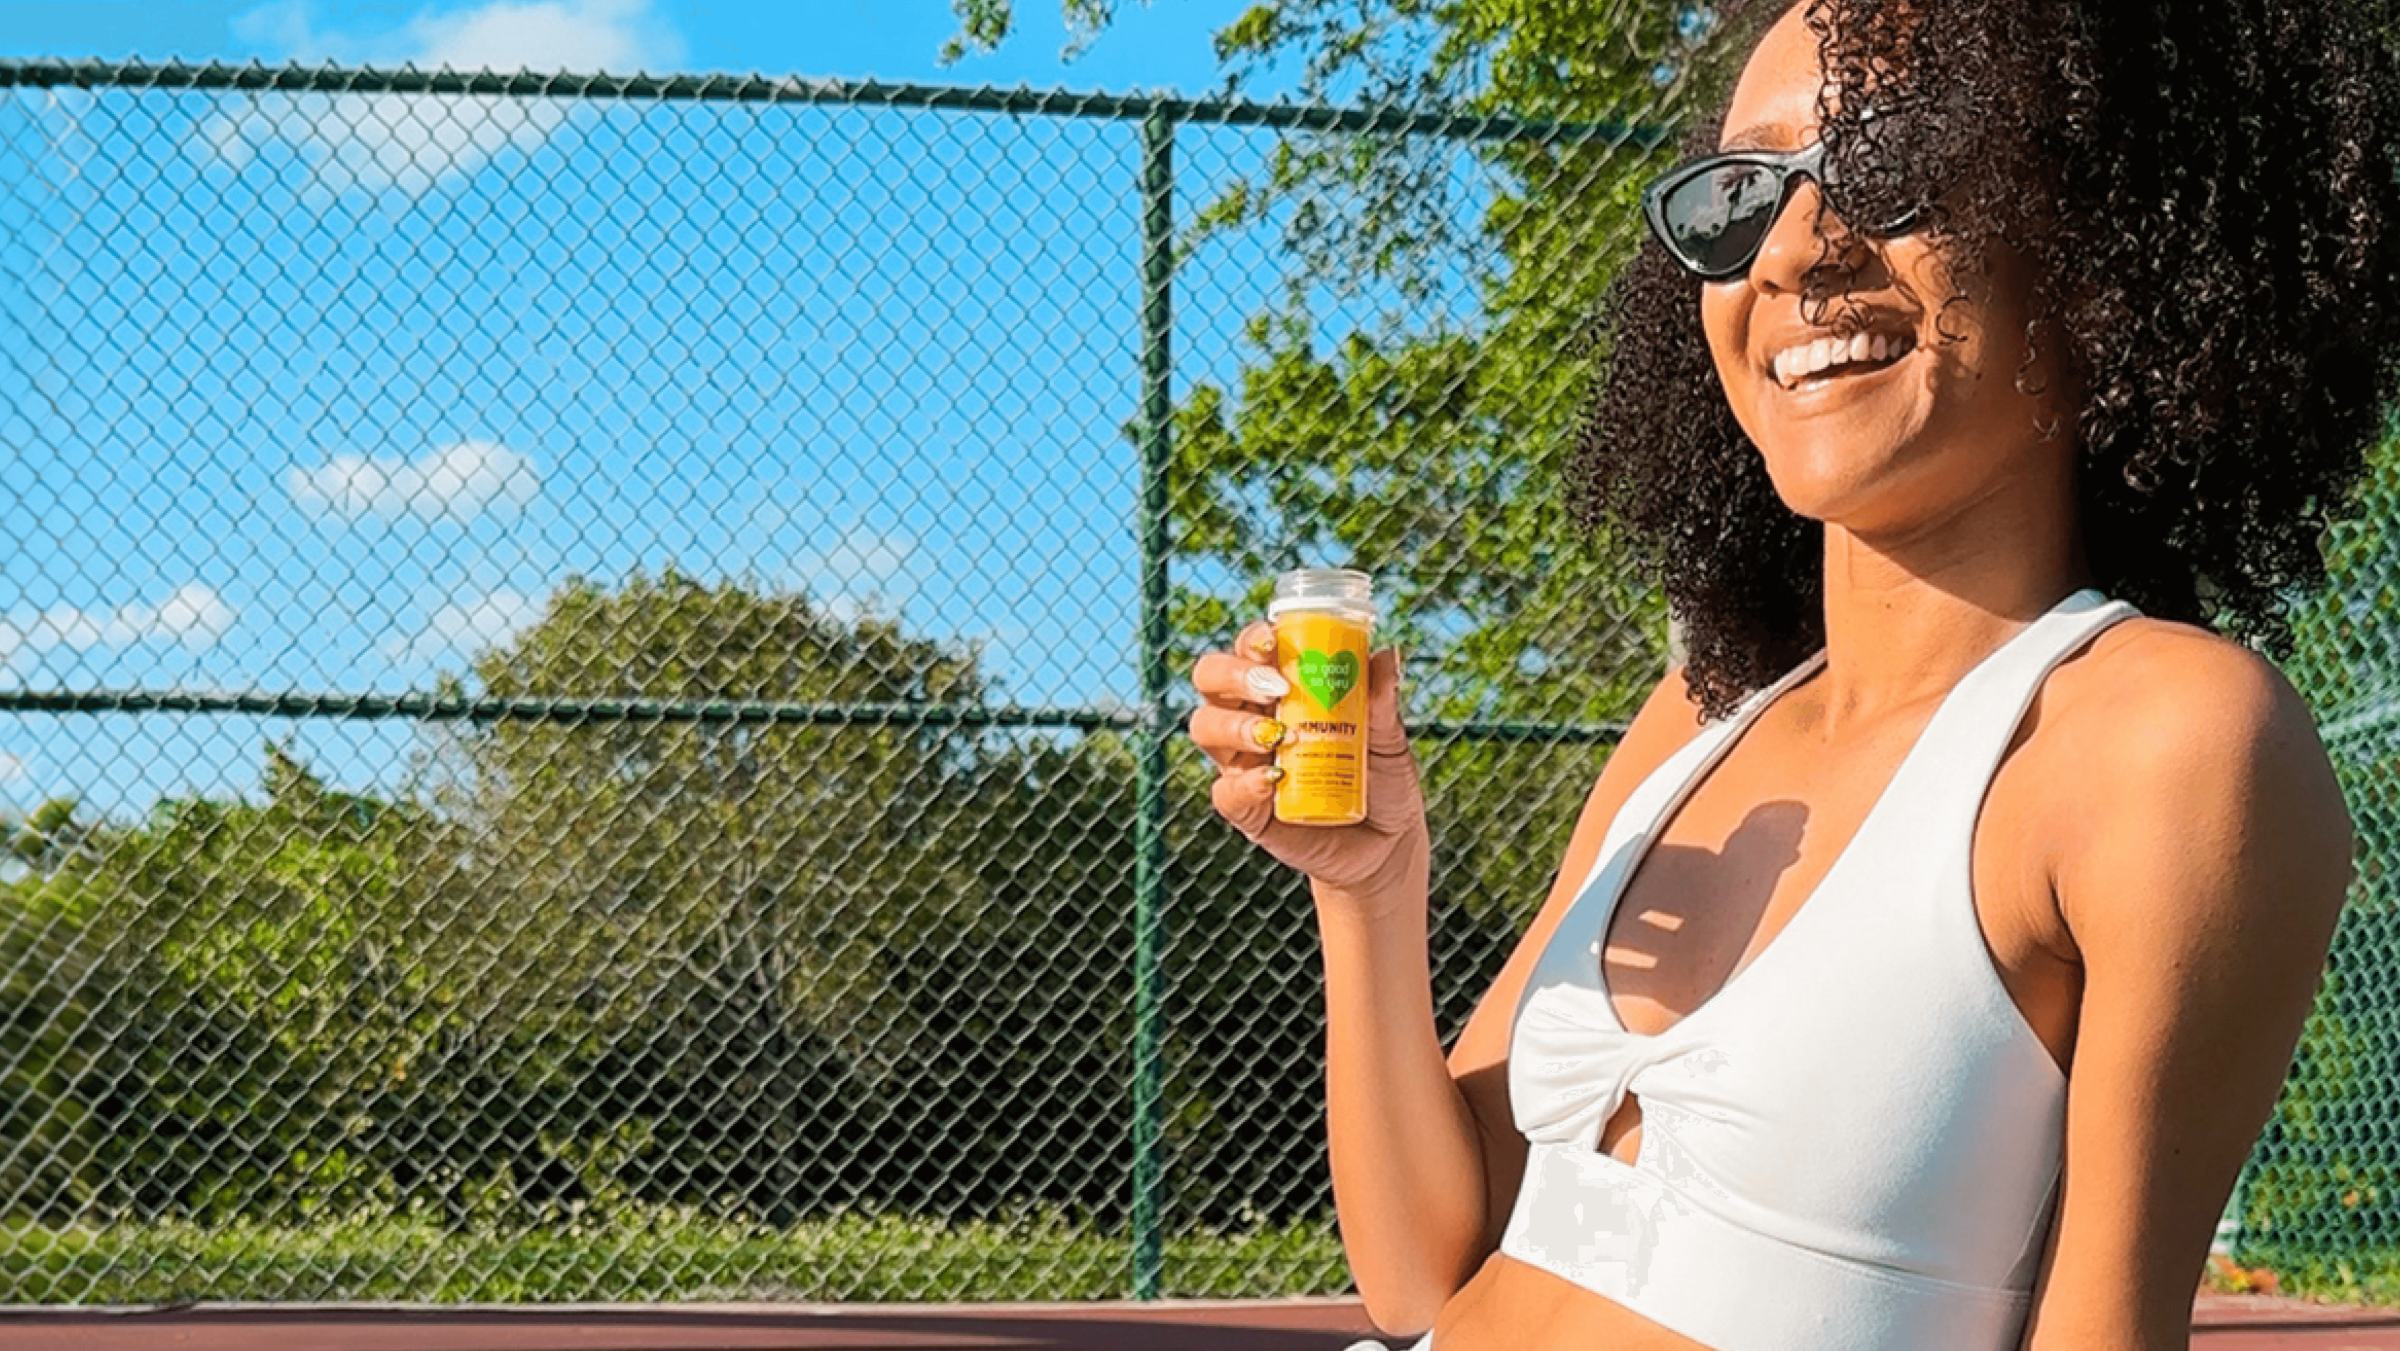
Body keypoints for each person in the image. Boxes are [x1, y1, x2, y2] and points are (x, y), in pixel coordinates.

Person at [1183, 0, 2400, 1347]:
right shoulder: (1697, 716)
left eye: (1894, 165)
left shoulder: (2167, 739)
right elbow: (1432, 1271)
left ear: (2099, 234)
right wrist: (1371, 883)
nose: (1798, 249)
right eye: (1740, 196)